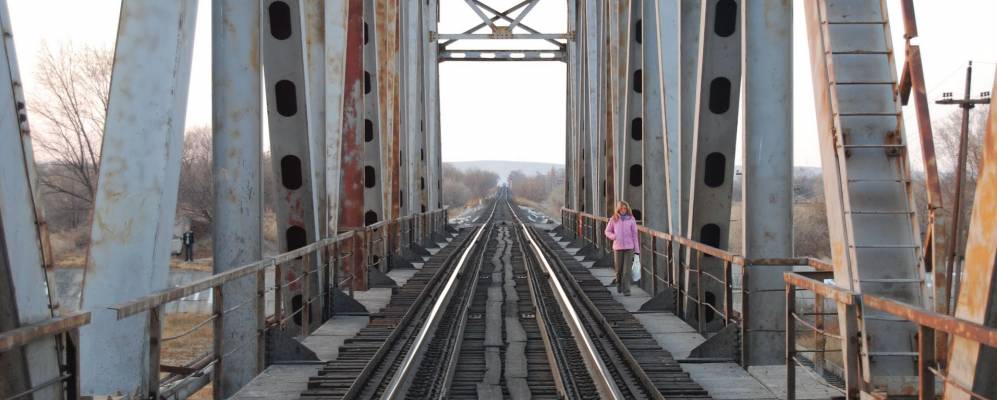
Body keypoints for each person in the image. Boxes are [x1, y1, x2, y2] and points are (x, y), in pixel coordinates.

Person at [604, 201, 639, 296]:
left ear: (627, 209)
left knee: (626, 270)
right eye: (622, 208)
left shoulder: (631, 219)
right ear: (618, 209)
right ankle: (618, 284)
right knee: (619, 270)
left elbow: (635, 235)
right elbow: (607, 231)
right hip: (618, 248)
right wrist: (613, 236)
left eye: (625, 208)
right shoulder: (613, 219)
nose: (624, 210)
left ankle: (626, 290)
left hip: (629, 248)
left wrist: (637, 251)